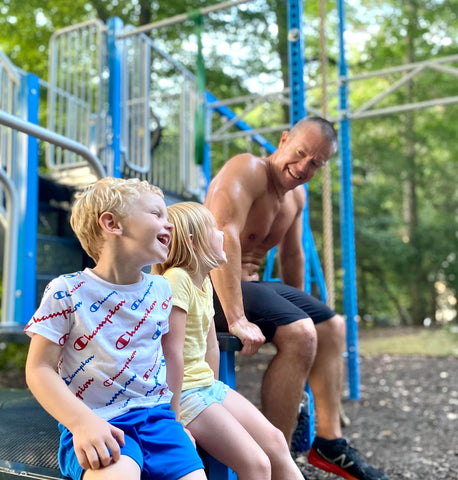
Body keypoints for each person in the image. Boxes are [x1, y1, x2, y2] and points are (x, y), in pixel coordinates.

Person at [204, 116, 390, 480]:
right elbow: (221, 236)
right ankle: (276, 460)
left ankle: (328, 442)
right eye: (301, 153)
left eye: (315, 163)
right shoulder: (247, 169)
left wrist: (298, 305)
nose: (304, 167)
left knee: (331, 326)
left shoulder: (296, 196)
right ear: (284, 139)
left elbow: (292, 256)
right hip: (208, 285)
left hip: (254, 285)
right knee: (301, 332)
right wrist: (238, 318)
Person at [24, 177, 206, 480]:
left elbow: (170, 357)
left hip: (159, 421)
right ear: (112, 224)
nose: (170, 223)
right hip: (98, 419)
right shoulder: (67, 291)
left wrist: (175, 423)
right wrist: (81, 423)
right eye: (156, 214)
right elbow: (39, 368)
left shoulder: (161, 289)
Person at [153, 201, 305, 480]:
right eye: (213, 228)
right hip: (183, 394)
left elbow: (210, 345)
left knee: (275, 442)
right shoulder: (176, 280)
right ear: (193, 242)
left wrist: (215, 393)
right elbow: (169, 352)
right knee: (257, 465)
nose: (222, 234)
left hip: (206, 386)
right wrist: (172, 422)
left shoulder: (203, 280)